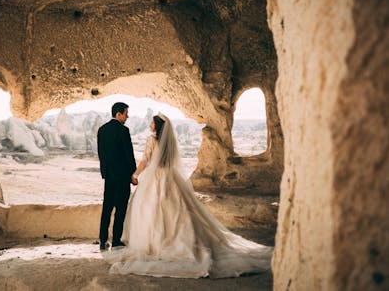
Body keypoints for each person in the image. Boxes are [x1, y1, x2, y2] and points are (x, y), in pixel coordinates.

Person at [103, 113, 272, 278]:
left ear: (157, 126)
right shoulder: (167, 142)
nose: (150, 124)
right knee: (176, 210)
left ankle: (153, 245)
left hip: (154, 179)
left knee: (149, 210)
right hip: (169, 178)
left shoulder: (151, 140)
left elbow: (145, 161)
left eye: (152, 122)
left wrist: (135, 175)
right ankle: (175, 242)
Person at [97, 102, 137, 250]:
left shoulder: (102, 130)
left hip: (109, 177)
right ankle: (116, 241)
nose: (127, 116)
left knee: (106, 209)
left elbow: (101, 154)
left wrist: (105, 172)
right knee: (120, 210)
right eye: (126, 113)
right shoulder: (124, 131)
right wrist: (133, 174)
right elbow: (129, 155)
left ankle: (102, 240)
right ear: (118, 114)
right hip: (122, 178)